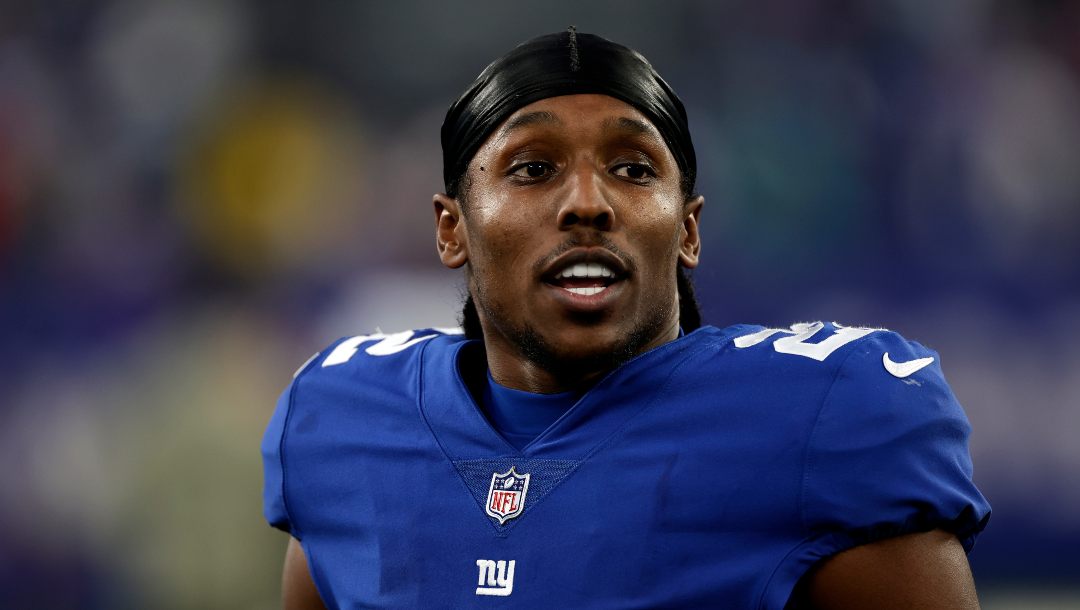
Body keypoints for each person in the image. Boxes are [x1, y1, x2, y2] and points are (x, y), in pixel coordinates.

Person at [262, 29, 990, 608]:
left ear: (688, 231)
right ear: (452, 230)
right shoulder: (342, 420)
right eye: (532, 168)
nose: (588, 201)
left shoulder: (827, 414)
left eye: (635, 168)